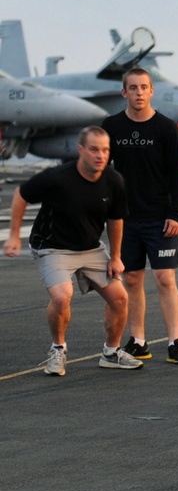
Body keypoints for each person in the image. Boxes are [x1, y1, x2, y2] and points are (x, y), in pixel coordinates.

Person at [3, 126, 142, 374]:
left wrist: (116, 257)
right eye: (94, 149)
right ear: (81, 150)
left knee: (120, 298)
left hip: (90, 248)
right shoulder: (57, 177)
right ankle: (58, 349)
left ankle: (111, 352)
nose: (100, 155)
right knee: (61, 295)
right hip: (52, 246)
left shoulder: (114, 181)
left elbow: (116, 219)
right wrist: (14, 236)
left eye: (105, 150)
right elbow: (20, 194)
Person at [104, 67, 178, 365]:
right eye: (133, 88)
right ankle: (138, 341)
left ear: (152, 91)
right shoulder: (112, 126)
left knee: (165, 278)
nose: (139, 92)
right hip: (125, 219)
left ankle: (174, 342)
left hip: (160, 217)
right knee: (131, 278)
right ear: (124, 92)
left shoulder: (166, 128)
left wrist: (175, 212)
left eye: (143, 87)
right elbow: (104, 171)